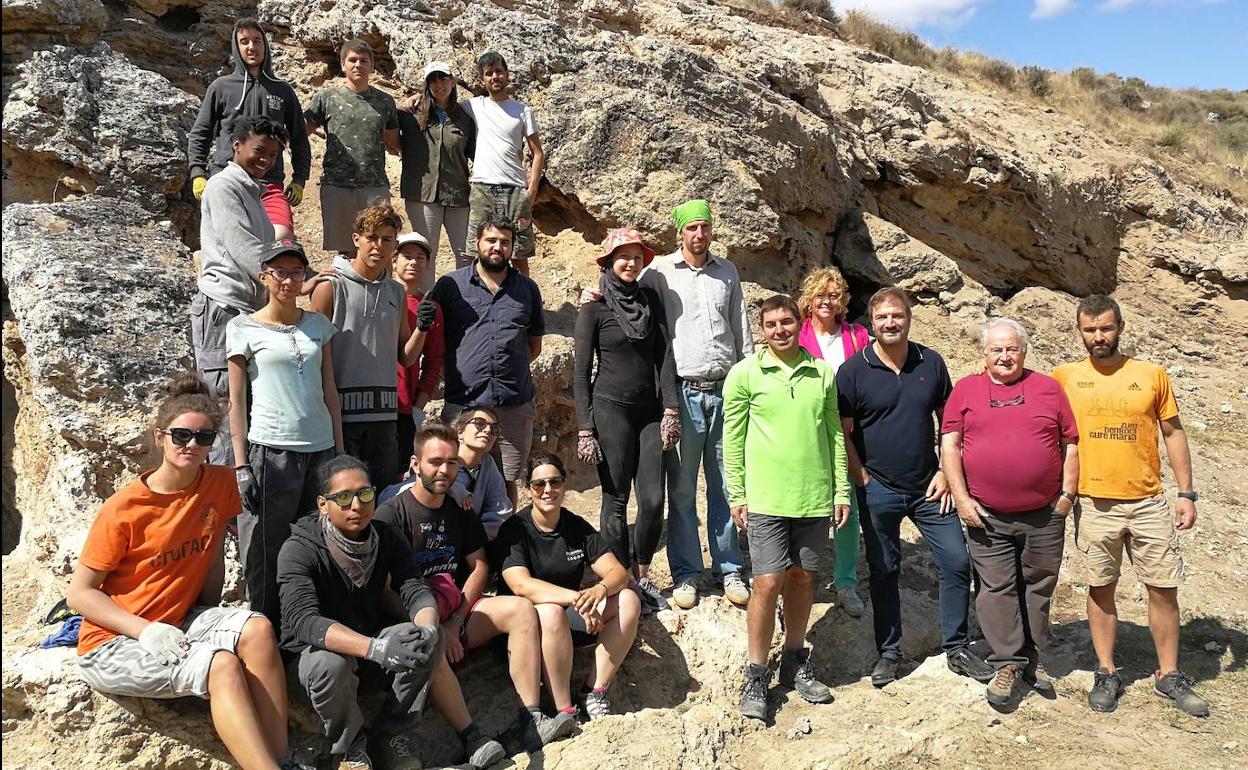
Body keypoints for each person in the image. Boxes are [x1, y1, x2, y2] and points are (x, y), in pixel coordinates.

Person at [67, 373, 300, 770]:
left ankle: (282, 756)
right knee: (220, 664)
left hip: (179, 620)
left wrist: (206, 615)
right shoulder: (124, 509)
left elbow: (209, 554)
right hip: (114, 642)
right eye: (180, 436)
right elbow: (80, 594)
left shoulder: (220, 483)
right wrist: (146, 630)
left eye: (205, 438)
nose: (192, 445)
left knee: (257, 628)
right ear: (160, 437)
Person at [374, 424, 570, 762]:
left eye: (452, 463)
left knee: (521, 610)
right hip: (410, 621)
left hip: (456, 612)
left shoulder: (458, 510)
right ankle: (472, 736)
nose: (444, 470)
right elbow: (383, 590)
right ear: (415, 464)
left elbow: (479, 566)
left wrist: (455, 620)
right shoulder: (391, 514)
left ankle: (531, 717)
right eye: (435, 462)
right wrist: (433, 625)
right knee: (427, 639)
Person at [1053, 295, 1209, 717]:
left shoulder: (1150, 375)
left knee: (1162, 587)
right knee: (1101, 587)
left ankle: (1169, 674)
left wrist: (1186, 492)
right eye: (1090, 329)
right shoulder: (1064, 377)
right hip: (1092, 502)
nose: (1098, 336)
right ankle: (1106, 670)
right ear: (1079, 331)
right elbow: (1049, 433)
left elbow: (1173, 433)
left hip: (1148, 501)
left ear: (1120, 327)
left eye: (1105, 328)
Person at [836, 287, 993, 687]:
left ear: (908, 318)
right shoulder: (853, 370)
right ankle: (889, 653)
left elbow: (951, 424)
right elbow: (843, 431)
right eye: (882, 317)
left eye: (897, 316)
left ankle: (956, 648)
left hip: (929, 487)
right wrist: (861, 477)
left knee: (957, 562)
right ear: (871, 323)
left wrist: (945, 470)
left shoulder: (932, 362)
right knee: (884, 568)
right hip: (878, 488)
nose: (891, 323)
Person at [940, 318, 1080, 707]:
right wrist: (963, 499)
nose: (1004, 356)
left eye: (1011, 348)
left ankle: (1036, 657)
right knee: (996, 589)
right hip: (986, 514)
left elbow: (1070, 443)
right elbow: (949, 445)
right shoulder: (967, 389)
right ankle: (1008, 661)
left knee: (1038, 586)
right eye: (996, 349)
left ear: (1024, 351)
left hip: (1043, 513)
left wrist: (1066, 496)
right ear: (984, 354)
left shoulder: (1049, 389)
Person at [724, 295, 850, 721]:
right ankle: (757, 672)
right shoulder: (745, 374)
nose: (780, 330)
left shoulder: (822, 373)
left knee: (802, 578)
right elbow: (733, 439)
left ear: (801, 323)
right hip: (765, 498)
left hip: (813, 495)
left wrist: (841, 491)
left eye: (787, 322)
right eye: (771, 324)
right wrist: (736, 493)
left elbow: (834, 435)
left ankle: (795, 659)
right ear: (762, 329)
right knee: (766, 582)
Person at [277, 455, 443, 770]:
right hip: (310, 665)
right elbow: (304, 621)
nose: (356, 504)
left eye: (365, 494)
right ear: (323, 504)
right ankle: (350, 747)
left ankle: (389, 736)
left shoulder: (387, 537)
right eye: (343, 497)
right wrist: (375, 648)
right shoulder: (299, 548)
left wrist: (429, 629)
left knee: (425, 636)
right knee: (331, 663)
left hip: (367, 655)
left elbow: (415, 589)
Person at [227, 239, 344, 625]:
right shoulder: (242, 327)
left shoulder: (318, 326)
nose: (288, 280)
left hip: (321, 449)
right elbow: (236, 402)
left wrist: (340, 456)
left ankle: (309, 625)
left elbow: (331, 391)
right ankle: (265, 628)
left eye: (296, 272)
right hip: (270, 449)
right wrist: (241, 464)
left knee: (320, 541)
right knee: (266, 546)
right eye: (280, 272)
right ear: (264, 277)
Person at [648, 199, 753, 610]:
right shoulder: (659, 272)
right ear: (680, 233)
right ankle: (687, 573)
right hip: (682, 394)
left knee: (727, 486)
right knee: (683, 488)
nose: (699, 235)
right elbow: (627, 296)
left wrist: (749, 381)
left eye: (705, 227)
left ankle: (729, 568)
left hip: (726, 391)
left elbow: (741, 329)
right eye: (692, 228)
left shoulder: (727, 271)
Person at [573, 227, 679, 614]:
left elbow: (665, 359)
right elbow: (581, 371)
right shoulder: (593, 307)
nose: (630, 263)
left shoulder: (651, 300)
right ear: (609, 261)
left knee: (652, 499)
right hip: (609, 408)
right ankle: (620, 580)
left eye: (637, 257)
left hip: (649, 411)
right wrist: (585, 427)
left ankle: (643, 573)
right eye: (623, 256)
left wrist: (670, 409)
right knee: (616, 499)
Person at [496, 453, 642, 721]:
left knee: (628, 599)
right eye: (539, 484)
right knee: (549, 612)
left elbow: (618, 573)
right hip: (527, 630)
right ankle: (564, 708)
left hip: (569, 620)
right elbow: (521, 585)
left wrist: (599, 590)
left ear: (564, 484)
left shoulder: (575, 525)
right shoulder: (515, 529)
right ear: (529, 489)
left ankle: (593, 691)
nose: (548, 490)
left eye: (554, 482)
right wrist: (578, 599)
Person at [311, 203, 437, 487]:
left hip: (384, 417)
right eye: (372, 237)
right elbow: (313, 354)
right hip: (339, 416)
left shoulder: (395, 292)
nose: (378, 246)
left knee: (381, 498)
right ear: (356, 239)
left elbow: (405, 357)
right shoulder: (331, 286)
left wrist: (422, 328)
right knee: (343, 495)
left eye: (387, 239)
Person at [428, 216, 545, 504]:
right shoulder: (450, 285)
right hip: (464, 404)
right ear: (477, 243)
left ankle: (504, 545)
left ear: (512, 248)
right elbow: (431, 336)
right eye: (491, 240)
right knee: (454, 477)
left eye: (505, 242)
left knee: (507, 482)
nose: (498, 247)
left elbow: (534, 347)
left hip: (513, 404)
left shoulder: (528, 289)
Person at [193, 114, 287, 467]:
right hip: (223, 308)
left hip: (246, 310)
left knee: (243, 405)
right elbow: (245, 249)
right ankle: (220, 501)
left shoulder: (252, 192)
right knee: (223, 407)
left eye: (273, 155)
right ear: (237, 146)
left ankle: (237, 500)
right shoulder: (223, 187)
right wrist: (290, 282)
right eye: (259, 151)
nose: (265, 160)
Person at [187, 18, 310, 240]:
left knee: (281, 239)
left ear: (265, 45)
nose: (251, 47)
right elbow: (201, 133)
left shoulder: (283, 90)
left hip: (269, 183)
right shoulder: (220, 87)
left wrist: (300, 179)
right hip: (226, 179)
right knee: (228, 242)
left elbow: (300, 138)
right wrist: (197, 172)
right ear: (236, 47)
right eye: (244, 41)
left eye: (257, 40)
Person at [795, 266, 871, 618]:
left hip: (850, 433)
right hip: (807, 430)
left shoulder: (858, 336)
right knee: (801, 507)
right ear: (808, 301)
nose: (827, 301)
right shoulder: (797, 336)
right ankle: (796, 577)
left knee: (847, 507)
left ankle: (845, 580)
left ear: (843, 301)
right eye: (820, 295)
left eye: (834, 295)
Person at [304, 39, 400, 256]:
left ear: (372, 66)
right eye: (352, 60)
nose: (358, 65)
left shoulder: (385, 101)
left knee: (381, 249)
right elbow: (302, 132)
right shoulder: (326, 97)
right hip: (337, 186)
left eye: (363, 60)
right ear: (343, 64)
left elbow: (394, 142)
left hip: (375, 186)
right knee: (347, 252)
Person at [461, 51, 544, 276]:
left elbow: (537, 153)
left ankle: (525, 305)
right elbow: (442, 101)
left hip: (516, 190)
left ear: (507, 75)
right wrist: (415, 98)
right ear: (482, 79)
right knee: (478, 251)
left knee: (519, 253)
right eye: (489, 73)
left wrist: (532, 189)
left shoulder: (523, 111)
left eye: (499, 71)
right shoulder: (474, 106)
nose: (494, 77)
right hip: (482, 189)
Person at [398, 61, 476, 292]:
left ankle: (461, 305)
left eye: (444, 78)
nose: (439, 84)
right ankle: (425, 311)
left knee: (465, 253)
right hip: (421, 193)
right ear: (426, 84)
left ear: (453, 81)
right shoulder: (411, 113)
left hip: (457, 194)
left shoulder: (466, 116)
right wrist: (408, 101)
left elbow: (474, 153)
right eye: (433, 79)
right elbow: (388, 126)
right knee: (425, 252)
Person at [393, 231, 445, 456]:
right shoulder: (375, 295)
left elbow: (433, 361)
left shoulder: (431, 309)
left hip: (405, 406)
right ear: (393, 260)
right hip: (370, 404)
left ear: (428, 265)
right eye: (407, 255)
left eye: (420, 257)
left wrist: (418, 406)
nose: (413, 262)